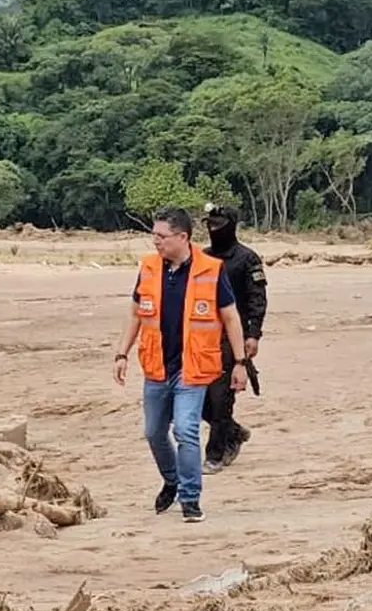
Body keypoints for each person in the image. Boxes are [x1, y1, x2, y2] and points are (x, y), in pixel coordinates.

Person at [113, 207, 248, 523]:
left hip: (192, 369)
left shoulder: (211, 270)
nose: (156, 241)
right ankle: (172, 479)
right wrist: (121, 354)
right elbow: (135, 314)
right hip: (157, 367)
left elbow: (230, 317)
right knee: (153, 432)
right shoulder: (148, 268)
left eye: (162, 236)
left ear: (183, 237)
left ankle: (190, 498)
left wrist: (240, 362)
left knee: (186, 430)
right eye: (154, 235)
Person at [200, 203, 268, 473]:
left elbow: (257, 299)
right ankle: (234, 432)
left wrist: (253, 334)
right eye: (209, 224)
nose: (213, 229)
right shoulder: (202, 257)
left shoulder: (247, 259)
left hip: (233, 337)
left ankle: (215, 454)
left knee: (221, 399)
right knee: (196, 400)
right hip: (202, 336)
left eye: (218, 225)